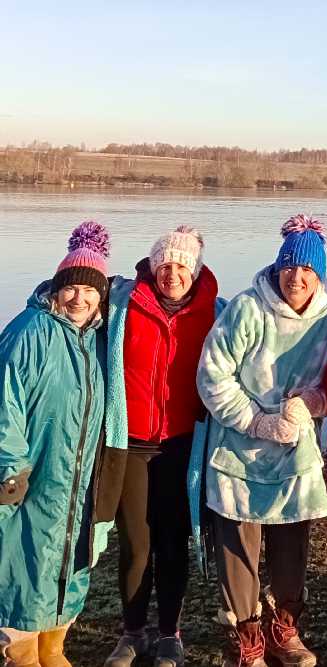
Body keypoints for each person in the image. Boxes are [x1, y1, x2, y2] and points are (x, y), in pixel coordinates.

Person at [195, 215, 327, 667]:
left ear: (318, 274)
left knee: (291, 542)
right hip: (238, 449)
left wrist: (316, 403)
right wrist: (256, 421)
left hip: (296, 450)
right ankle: (246, 634)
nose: (296, 277)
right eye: (289, 267)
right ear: (278, 267)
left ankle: (285, 628)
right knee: (239, 542)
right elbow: (212, 375)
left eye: (306, 270)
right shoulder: (248, 309)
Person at [103, 226, 222, 667]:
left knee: (173, 542)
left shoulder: (216, 312)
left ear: (194, 270)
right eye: (164, 265)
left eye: (181, 265)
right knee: (136, 544)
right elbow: (69, 297)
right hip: (130, 444)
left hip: (182, 446)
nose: (172, 273)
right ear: (153, 268)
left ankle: (170, 632)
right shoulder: (122, 305)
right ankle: (132, 633)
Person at [0, 222, 115, 667]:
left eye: (90, 291)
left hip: (80, 480)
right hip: (33, 478)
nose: (79, 299)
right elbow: (4, 399)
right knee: (24, 564)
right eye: (71, 288)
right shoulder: (30, 330)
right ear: (58, 288)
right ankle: (21, 653)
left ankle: (53, 649)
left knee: (68, 560)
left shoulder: (101, 340)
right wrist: (11, 468)